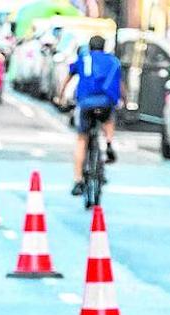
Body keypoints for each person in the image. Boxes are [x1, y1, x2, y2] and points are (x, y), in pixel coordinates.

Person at [57, 35, 121, 197]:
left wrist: (61, 96)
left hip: (85, 104)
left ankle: (78, 180)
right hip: (106, 103)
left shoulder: (83, 59)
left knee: (82, 139)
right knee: (108, 118)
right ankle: (108, 143)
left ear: (90, 47)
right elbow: (119, 83)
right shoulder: (113, 61)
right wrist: (124, 100)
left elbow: (68, 77)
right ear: (104, 46)